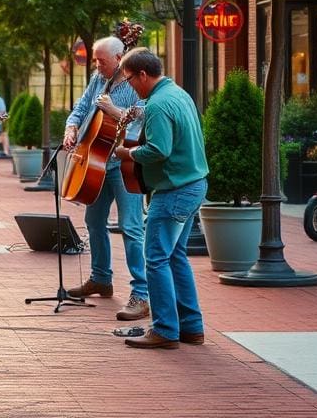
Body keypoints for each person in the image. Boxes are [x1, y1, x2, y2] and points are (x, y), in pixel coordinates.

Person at [114, 48, 209, 349]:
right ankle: (191, 327)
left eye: (129, 79)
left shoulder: (157, 104)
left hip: (174, 191)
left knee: (155, 258)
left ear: (143, 74)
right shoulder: (178, 93)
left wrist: (127, 153)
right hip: (194, 184)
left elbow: (158, 150)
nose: (130, 86)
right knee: (176, 256)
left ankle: (165, 329)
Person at [62, 36, 149, 322]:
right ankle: (101, 278)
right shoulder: (98, 78)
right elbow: (81, 106)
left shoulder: (136, 80)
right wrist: (72, 127)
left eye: (101, 60)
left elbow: (144, 118)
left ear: (118, 57)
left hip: (123, 164)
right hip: (96, 162)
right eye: (96, 60)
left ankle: (142, 294)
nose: (97, 65)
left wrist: (114, 111)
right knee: (93, 221)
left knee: (131, 227)